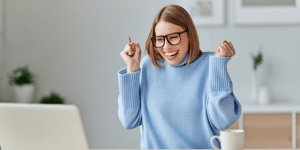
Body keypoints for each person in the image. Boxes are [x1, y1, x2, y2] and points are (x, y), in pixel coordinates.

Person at [117, 4, 242, 149]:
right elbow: (129, 120)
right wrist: (132, 68)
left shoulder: (210, 64)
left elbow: (223, 120)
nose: (166, 47)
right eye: (159, 39)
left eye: (173, 37)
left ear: (190, 35)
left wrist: (219, 66)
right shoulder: (147, 67)